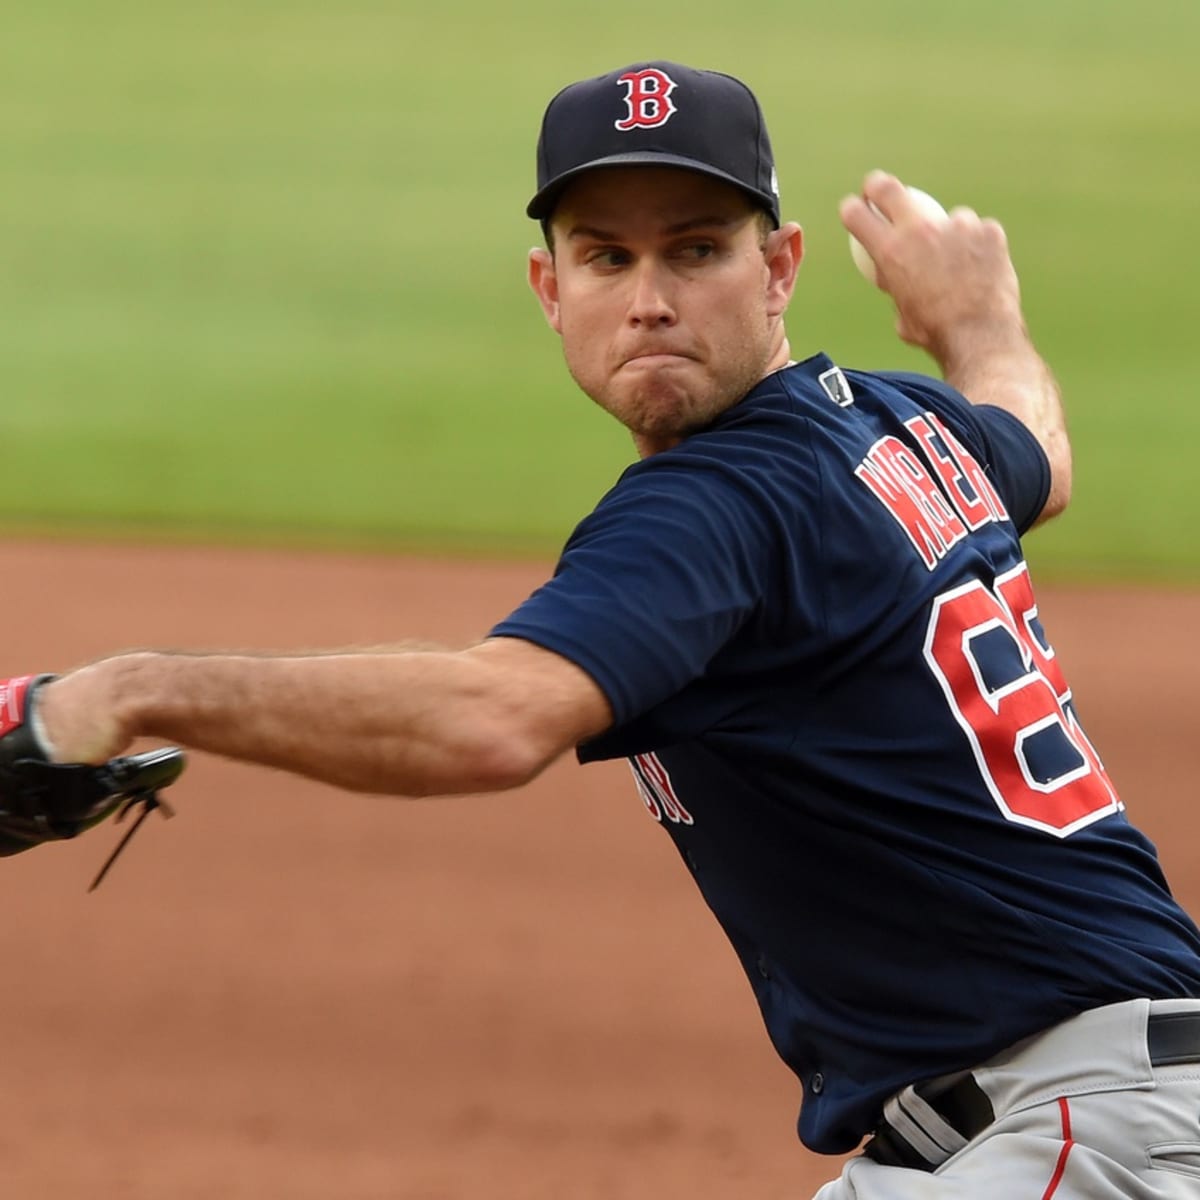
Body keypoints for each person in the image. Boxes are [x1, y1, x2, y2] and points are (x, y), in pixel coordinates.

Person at [15, 60, 1200, 1197]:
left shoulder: (715, 504)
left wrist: (125, 692)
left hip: (1071, 1140)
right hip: (1094, 1121)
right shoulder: (893, 426)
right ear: (551, 291)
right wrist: (982, 322)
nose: (650, 300)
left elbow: (488, 720)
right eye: (606, 256)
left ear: (779, 268)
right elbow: (1035, 456)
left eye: (697, 250)